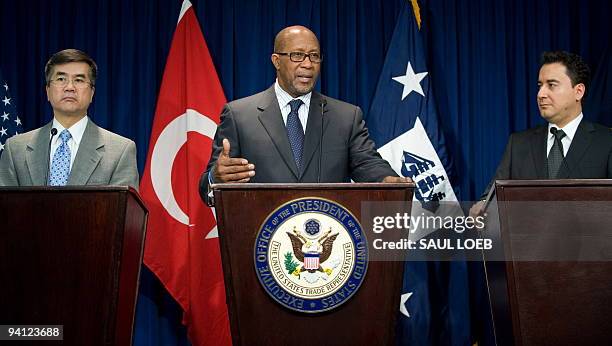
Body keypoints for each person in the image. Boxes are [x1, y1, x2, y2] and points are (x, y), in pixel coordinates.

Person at [199, 25, 408, 203]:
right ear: (276, 61)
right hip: (260, 238)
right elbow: (207, 187)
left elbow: (367, 163)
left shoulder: (346, 117)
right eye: (297, 55)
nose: (307, 64)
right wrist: (214, 178)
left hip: (328, 238)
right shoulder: (239, 115)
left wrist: (386, 180)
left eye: (314, 56)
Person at [471, 51, 612, 215]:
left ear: (578, 91)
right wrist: (482, 209)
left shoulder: (606, 142)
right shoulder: (518, 144)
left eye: (551, 85)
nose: (540, 94)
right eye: (540, 86)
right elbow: (490, 200)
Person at [0, 49, 139, 189]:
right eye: (61, 79)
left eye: (79, 80)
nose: (70, 87)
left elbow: (123, 209)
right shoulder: (15, 149)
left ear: (92, 93)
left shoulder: (120, 151)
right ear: (47, 90)